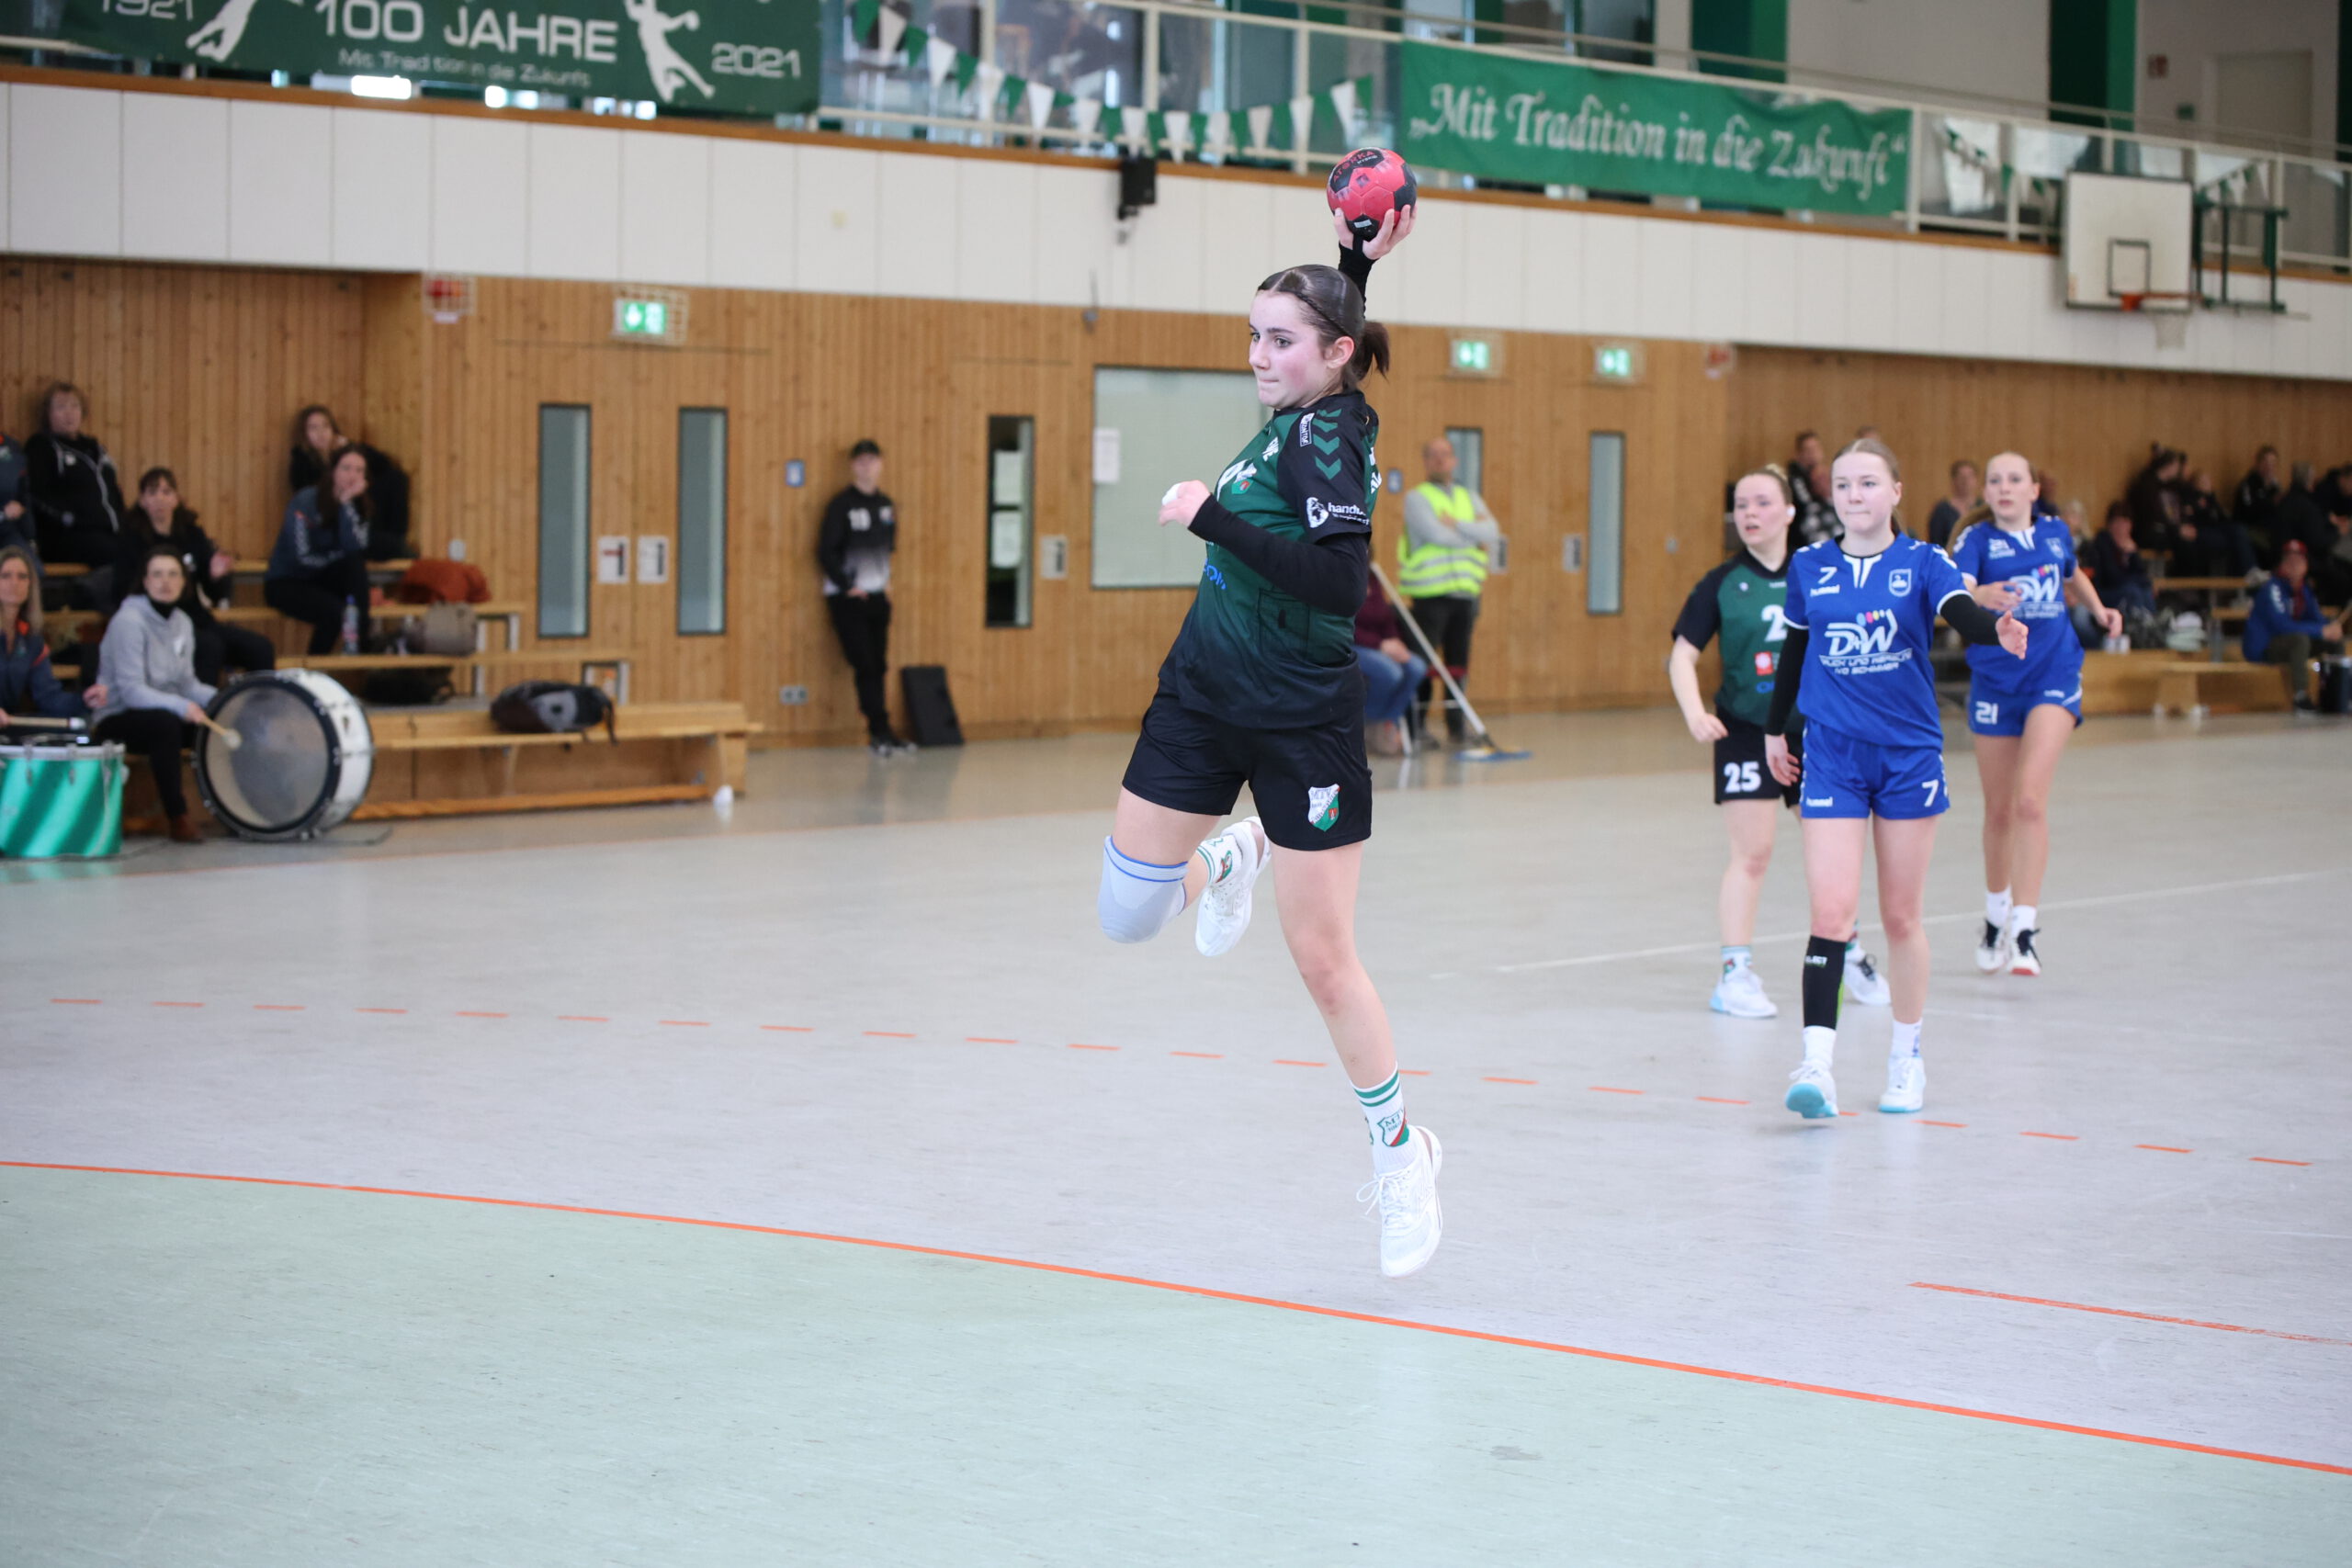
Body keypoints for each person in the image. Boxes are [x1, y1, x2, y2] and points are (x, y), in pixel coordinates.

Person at [1098, 206, 1443, 1279]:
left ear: (1333, 355)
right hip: (1202, 697)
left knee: (1323, 961)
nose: (1259, 355)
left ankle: (1399, 1152)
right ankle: (1234, 854)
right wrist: (1351, 261)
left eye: (1280, 340)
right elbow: (1329, 333)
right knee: (1126, 914)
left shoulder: (1328, 435)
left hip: (1301, 720)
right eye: (1253, 335)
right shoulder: (1308, 402)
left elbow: (1338, 583)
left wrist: (1212, 517)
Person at [1762, 438, 2028, 1119]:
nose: (1854, 496)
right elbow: (1795, 650)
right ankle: (1816, 1066)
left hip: (1908, 757)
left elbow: (1960, 612)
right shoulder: (1810, 566)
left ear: (1896, 492)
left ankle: (1907, 1058)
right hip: (1833, 755)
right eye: (1843, 485)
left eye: (1868, 483)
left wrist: (1994, 629)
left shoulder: (1924, 561)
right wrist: (1773, 729)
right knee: (1830, 914)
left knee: (1902, 916)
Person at [1668, 466, 1890, 1021]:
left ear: (1790, 511)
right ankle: (1734, 974)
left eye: (1763, 502)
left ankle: (1848, 952)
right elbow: (1682, 655)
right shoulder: (1722, 583)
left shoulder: (1819, 571)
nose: (1750, 513)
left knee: (1829, 848)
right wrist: (1695, 713)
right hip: (1746, 730)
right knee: (1753, 853)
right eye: (1742, 504)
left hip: (1815, 732)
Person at [1951, 452, 2123, 978]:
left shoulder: (2054, 533)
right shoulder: (1976, 541)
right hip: (1996, 680)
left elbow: (2072, 577)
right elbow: (1953, 593)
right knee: (1999, 811)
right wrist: (1980, 593)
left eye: (2014, 479)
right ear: (1987, 492)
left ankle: (2024, 930)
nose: (2004, 487)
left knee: (2029, 801)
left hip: (2053, 672)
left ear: (2033, 490)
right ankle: (1994, 916)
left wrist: (2098, 608)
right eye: (1995, 480)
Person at [93, 547, 216, 843]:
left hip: (163, 711)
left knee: (219, 717)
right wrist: (181, 706)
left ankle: (232, 810)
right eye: (157, 574)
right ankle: (177, 816)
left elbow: (187, 684)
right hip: (118, 716)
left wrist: (225, 698)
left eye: (173, 574)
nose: (165, 581)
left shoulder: (183, 622)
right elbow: (132, 691)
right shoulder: (128, 621)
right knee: (165, 725)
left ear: (183, 581)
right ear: (145, 581)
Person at [119, 468, 276, 688]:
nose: (160, 498)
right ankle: (202, 709)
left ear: (176, 499)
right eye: (152, 492)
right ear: (142, 501)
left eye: (166, 492)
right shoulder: (131, 539)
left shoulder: (192, 534)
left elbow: (215, 594)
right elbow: (124, 591)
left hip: (197, 619)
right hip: (158, 625)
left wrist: (215, 575)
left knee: (260, 647)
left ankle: (259, 706)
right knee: (209, 647)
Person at [1396, 435, 1499, 744]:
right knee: (1423, 663)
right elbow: (1435, 535)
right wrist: (1470, 534)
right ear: (1426, 462)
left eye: (1445, 454)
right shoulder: (1417, 498)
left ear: (1454, 460)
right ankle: (1417, 727)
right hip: (1430, 595)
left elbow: (1492, 531)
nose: (1440, 459)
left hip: (1465, 594)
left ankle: (1456, 728)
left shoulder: (1469, 497)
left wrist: (1457, 524)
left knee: (1459, 664)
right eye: (1434, 455)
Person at [817, 439, 910, 756]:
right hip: (849, 598)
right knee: (865, 663)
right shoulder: (841, 505)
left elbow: (888, 548)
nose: (867, 466)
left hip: (878, 596)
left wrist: (885, 583)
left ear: (881, 464)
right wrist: (846, 585)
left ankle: (883, 732)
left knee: (879, 664)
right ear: (852, 466)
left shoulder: (886, 505)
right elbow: (825, 551)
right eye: (861, 461)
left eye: (872, 460)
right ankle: (878, 729)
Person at [23, 382, 127, 605]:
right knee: (121, 555)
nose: (69, 413)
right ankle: (96, 598)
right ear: (48, 414)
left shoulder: (96, 449)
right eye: (61, 407)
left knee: (144, 549)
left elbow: (114, 493)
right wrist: (69, 519)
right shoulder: (42, 447)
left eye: (74, 406)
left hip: (108, 533)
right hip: (66, 536)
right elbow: (36, 495)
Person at [266, 446, 375, 654]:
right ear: (333, 471)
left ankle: (362, 643)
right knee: (334, 612)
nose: (352, 475)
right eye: (346, 468)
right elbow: (301, 556)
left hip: (323, 579)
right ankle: (315, 668)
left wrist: (346, 505)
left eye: (359, 470)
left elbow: (356, 548)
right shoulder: (306, 500)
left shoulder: (359, 506)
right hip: (288, 580)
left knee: (354, 566)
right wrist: (336, 557)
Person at [0, 546, 106, 736]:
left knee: (78, 729)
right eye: (5, 576)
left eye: (22, 577)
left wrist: (85, 699)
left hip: (8, 722)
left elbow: (49, 697)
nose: (14, 583)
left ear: (31, 585)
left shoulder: (32, 640)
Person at [288, 405, 411, 559]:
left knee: (395, 478)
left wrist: (350, 446)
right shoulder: (301, 463)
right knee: (387, 545)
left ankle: (396, 540)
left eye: (326, 426)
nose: (321, 433)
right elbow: (315, 502)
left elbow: (384, 464)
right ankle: (391, 546)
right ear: (304, 434)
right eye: (313, 428)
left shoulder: (343, 453)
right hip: (331, 523)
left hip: (358, 517)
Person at [2244, 541, 2343, 708]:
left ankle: (2336, 692)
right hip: (2266, 647)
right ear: (2282, 564)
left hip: (2290, 643)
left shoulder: (2304, 590)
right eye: (2290, 561)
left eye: (2299, 561)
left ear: (2306, 565)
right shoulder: (2272, 588)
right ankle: (2300, 695)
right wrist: (2321, 630)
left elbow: (2316, 619)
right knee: (2299, 640)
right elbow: (2281, 626)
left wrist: (2330, 627)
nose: (2295, 566)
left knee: (2334, 642)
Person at [1352, 569, 1426, 756]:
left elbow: (1385, 617)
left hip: (1380, 646)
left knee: (1416, 667)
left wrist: (1396, 641)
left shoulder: (1373, 579)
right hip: (1352, 644)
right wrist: (1381, 644)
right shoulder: (1339, 578)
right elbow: (1343, 624)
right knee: (1391, 672)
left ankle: (1388, 720)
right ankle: (1369, 722)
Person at [2174, 468, 2256, 578]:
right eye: (2202, 481)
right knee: (2229, 541)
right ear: (2195, 484)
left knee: (2238, 530)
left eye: (2208, 481)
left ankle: (2250, 571)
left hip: (2217, 528)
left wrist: (2211, 501)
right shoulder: (2191, 498)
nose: (2207, 484)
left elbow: (2221, 516)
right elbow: (2198, 517)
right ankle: (2244, 574)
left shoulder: (2211, 499)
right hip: (2202, 531)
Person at [2083, 502, 2156, 624]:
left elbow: (2144, 578)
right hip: (2102, 593)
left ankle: (2151, 622)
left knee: (2146, 590)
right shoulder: (2101, 543)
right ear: (2110, 524)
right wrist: (2124, 555)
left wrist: (2132, 555)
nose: (2122, 527)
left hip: (2124, 588)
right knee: (2132, 591)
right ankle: (2140, 625)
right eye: (2118, 522)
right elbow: (2112, 578)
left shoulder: (2130, 545)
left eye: (2126, 522)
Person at [1787, 430, 1836, 543]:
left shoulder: (1822, 472)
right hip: (1803, 536)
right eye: (1808, 450)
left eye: (1816, 448)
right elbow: (1807, 507)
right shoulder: (1795, 480)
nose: (1813, 453)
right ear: (1799, 454)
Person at [2233, 446, 2284, 545]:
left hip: (2269, 527)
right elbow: (2248, 511)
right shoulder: (2248, 484)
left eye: (2273, 463)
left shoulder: (2275, 487)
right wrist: (2271, 502)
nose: (2269, 467)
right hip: (2250, 528)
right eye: (2266, 462)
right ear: (2258, 463)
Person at [1926, 459, 1978, 549]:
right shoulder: (1942, 510)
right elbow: (1935, 542)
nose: (1965, 481)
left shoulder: (1983, 508)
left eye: (1970, 476)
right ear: (1954, 480)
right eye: (1961, 477)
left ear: (1976, 480)